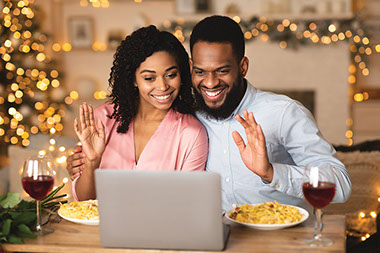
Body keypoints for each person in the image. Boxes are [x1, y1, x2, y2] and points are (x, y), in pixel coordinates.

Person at [68, 16, 351, 211]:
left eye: (222, 71)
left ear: (243, 66)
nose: (211, 83)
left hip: (281, 237)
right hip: (213, 239)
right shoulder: (188, 114)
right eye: (200, 72)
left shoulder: (282, 113)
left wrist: (271, 172)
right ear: (190, 67)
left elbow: (341, 184)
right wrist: (86, 165)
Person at [71, 25, 208, 201]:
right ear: (133, 79)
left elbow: (189, 203)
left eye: (171, 75)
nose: (162, 87)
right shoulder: (102, 120)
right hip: (99, 227)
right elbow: (83, 201)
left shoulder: (191, 133)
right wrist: (92, 162)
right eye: (149, 78)